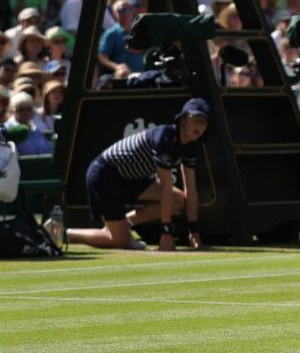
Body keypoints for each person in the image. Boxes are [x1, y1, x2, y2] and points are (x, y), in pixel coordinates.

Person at [65, 97, 210, 251]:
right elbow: (166, 188)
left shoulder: (191, 146)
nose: (199, 126)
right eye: (196, 119)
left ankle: (126, 223)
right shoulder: (165, 138)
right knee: (121, 243)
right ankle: (64, 233)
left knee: (178, 199)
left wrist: (194, 231)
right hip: (105, 175)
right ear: (182, 120)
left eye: (204, 122)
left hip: (133, 178)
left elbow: (191, 190)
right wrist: (166, 233)